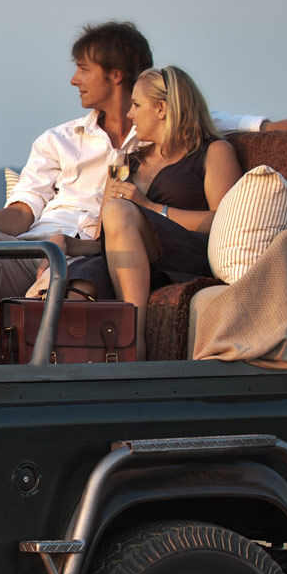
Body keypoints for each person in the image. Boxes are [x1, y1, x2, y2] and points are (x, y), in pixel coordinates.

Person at [0, 21, 287, 298]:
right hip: (45, 243)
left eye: (83, 69)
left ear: (115, 75)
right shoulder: (58, 140)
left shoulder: (170, 127)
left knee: (72, 269)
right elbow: (24, 209)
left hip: (96, 249)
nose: (73, 79)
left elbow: (256, 126)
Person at [65, 65, 239, 360]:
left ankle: (134, 341)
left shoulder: (213, 152)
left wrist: (151, 208)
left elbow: (226, 221)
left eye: (136, 104)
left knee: (120, 210)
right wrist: (69, 245)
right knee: (81, 281)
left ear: (161, 108)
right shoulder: (127, 161)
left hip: (186, 251)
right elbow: (103, 239)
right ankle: (65, 364)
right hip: (135, 259)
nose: (129, 114)